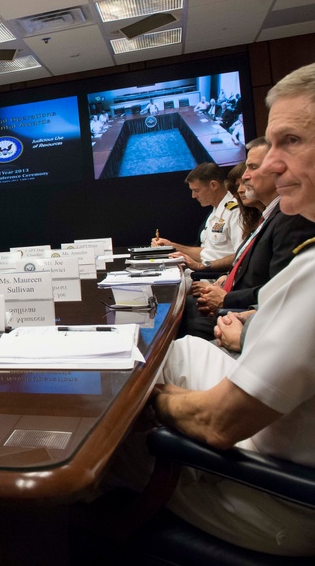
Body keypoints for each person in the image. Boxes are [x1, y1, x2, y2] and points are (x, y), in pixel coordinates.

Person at [150, 62, 315, 556]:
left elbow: (217, 424)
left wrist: (151, 400)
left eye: (292, 142)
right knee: (171, 353)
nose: (266, 166)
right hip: (277, 446)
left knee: (94, 454)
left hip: (274, 496)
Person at [181, 139, 315, 338]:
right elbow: (244, 265)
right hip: (233, 301)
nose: (245, 176)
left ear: (279, 170)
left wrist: (226, 298)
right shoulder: (268, 216)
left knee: (179, 321)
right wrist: (225, 281)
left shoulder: (291, 219)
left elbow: (281, 292)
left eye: (252, 167)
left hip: (245, 314)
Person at [152, 162, 243, 270]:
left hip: (219, 276)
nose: (193, 196)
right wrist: (171, 246)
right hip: (206, 273)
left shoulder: (235, 211)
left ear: (213, 185)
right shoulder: (214, 213)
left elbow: (241, 255)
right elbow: (206, 253)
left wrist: (202, 266)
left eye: (196, 190)